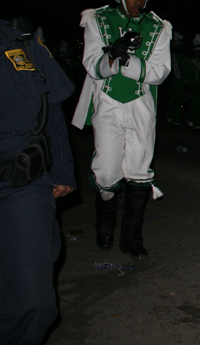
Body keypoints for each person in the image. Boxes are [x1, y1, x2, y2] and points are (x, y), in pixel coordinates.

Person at [72, 0, 172, 261]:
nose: (140, 2)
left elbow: (159, 72)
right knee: (107, 170)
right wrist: (111, 54)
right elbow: (92, 65)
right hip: (108, 102)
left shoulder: (159, 28)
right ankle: (105, 225)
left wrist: (124, 60)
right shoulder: (97, 20)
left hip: (141, 102)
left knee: (140, 168)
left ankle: (132, 237)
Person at [1, 18, 76, 344]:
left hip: (20, 183)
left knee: (32, 300)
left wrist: (61, 168)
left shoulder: (22, 42)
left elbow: (50, 106)